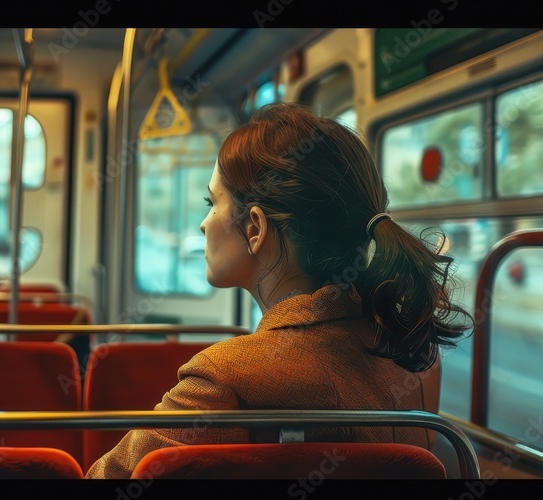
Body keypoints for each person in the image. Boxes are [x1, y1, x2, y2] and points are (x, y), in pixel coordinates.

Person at [85, 102, 471, 479]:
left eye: (211, 203)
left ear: (255, 228)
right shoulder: (412, 352)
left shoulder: (227, 377)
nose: (203, 224)